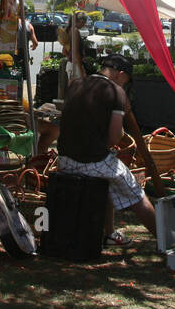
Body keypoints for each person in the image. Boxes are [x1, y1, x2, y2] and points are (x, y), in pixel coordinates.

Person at [54, 54, 157, 246]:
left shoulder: (75, 85)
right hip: (91, 160)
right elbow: (115, 137)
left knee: (108, 177)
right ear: (120, 74)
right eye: (126, 80)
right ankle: (166, 240)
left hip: (64, 159)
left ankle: (109, 233)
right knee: (136, 193)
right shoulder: (116, 92)